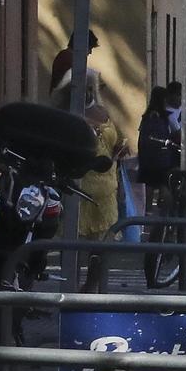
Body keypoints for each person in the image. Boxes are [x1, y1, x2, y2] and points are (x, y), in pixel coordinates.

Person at [79, 103, 132, 292]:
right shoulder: (73, 110)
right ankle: (70, 288)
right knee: (74, 243)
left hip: (108, 188)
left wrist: (121, 150)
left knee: (102, 245)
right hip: (81, 185)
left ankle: (94, 288)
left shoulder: (107, 112)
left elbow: (119, 144)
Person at [135, 86, 179, 213]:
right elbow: (175, 134)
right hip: (161, 158)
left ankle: (147, 214)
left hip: (147, 158)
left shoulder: (147, 116)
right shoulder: (164, 116)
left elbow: (142, 135)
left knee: (149, 187)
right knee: (163, 185)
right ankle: (163, 214)